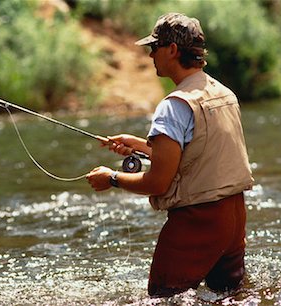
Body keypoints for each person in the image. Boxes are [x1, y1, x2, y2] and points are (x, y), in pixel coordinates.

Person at [86, 12, 254, 297]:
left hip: (197, 223)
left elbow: (158, 183)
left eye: (154, 48)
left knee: (164, 299)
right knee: (230, 298)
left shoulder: (174, 105)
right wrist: (139, 144)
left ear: (173, 50)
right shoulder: (224, 93)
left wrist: (112, 178)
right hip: (234, 220)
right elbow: (198, 153)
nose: (150, 55)